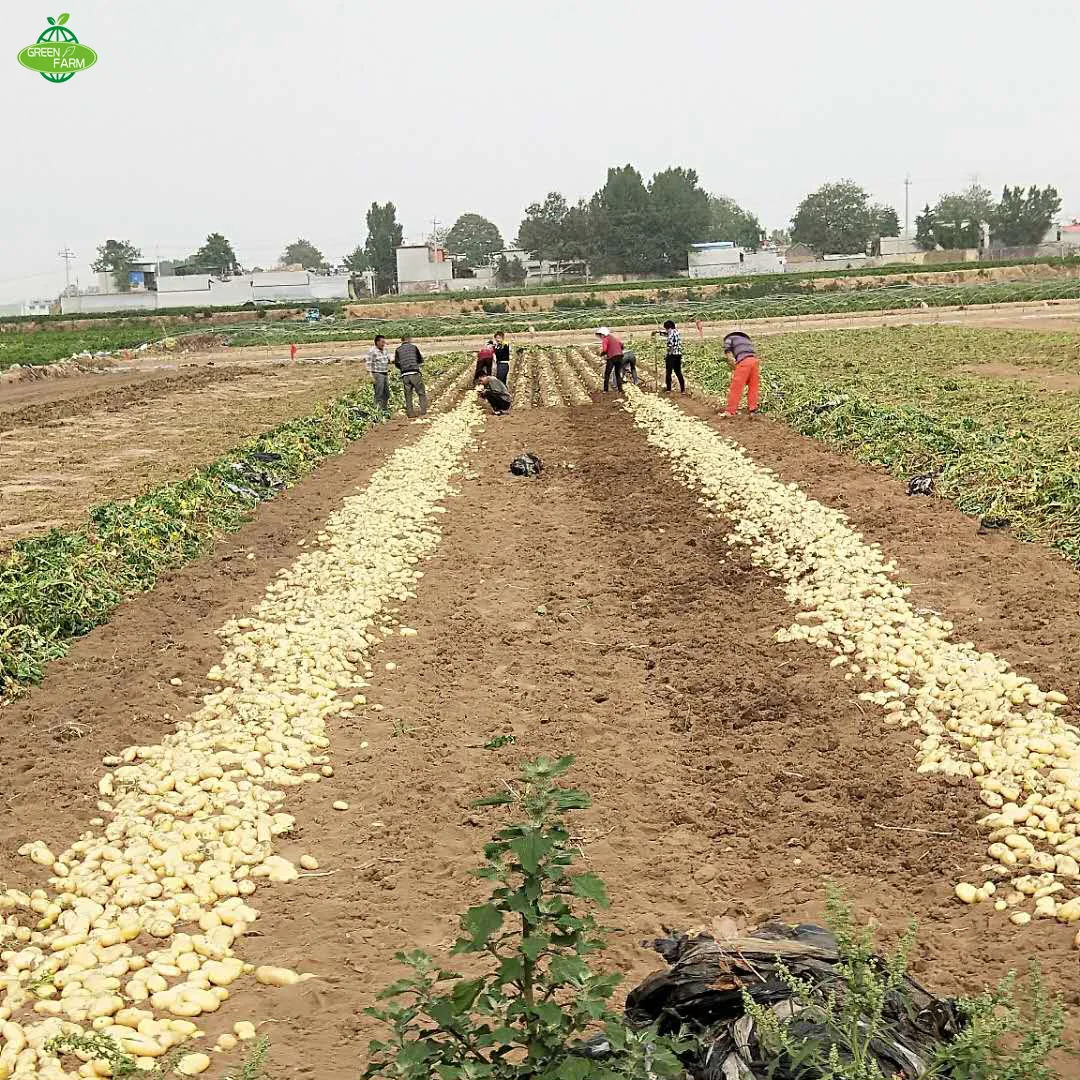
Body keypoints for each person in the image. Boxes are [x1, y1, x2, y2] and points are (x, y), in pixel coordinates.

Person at [722, 330, 760, 416]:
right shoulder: (746, 340)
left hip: (744, 361)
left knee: (736, 386)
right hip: (754, 361)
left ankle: (730, 411)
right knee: (753, 386)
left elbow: (729, 355)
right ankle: (753, 409)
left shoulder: (729, 339)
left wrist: (734, 367)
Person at [394, 335, 428, 417]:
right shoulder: (414, 347)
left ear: (401, 341)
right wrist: (416, 365)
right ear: (409, 340)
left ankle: (410, 413)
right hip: (414, 372)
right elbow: (420, 359)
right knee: (421, 392)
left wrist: (403, 368)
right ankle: (423, 411)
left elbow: (397, 363)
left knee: (408, 394)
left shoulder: (398, 350)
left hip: (405, 375)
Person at [364, 334, 392, 413]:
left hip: (385, 373)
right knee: (379, 393)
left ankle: (384, 409)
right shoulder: (372, 351)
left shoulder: (385, 350)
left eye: (384, 342)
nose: (384, 344)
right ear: (377, 342)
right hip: (377, 374)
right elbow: (368, 364)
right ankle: (378, 411)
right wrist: (371, 376)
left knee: (386, 393)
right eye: (382, 342)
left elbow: (389, 359)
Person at [658, 319, 685, 392]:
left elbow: (670, 345)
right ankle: (683, 390)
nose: (666, 330)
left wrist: (667, 353)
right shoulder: (677, 332)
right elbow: (667, 334)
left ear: (668, 328)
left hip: (672, 355)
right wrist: (659, 333)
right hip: (678, 354)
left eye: (666, 328)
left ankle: (669, 389)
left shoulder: (670, 334)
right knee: (678, 372)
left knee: (668, 372)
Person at [595, 326, 625, 392]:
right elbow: (622, 345)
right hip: (620, 356)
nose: (600, 336)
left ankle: (606, 390)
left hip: (612, 357)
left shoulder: (605, 339)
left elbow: (605, 349)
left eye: (601, 335)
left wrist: (602, 354)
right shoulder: (614, 337)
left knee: (607, 374)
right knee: (617, 373)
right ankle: (620, 389)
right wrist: (619, 350)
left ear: (603, 334)